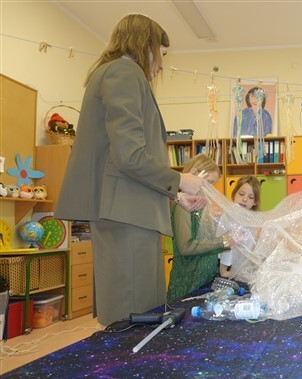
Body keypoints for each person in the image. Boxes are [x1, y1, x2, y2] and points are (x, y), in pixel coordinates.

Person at [54, 14, 207, 326]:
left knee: (131, 308)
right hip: (128, 215)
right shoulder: (124, 72)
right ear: (145, 44)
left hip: (126, 211)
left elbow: (122, 160)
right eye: (161, 53)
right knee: (134, 314)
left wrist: (176, 195)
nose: (161, 65)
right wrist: (180, 179)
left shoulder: (113, 73)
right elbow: (130, 156)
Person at [168, 154, 225, 302]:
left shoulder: (202, 206)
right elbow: (186, 247)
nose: (211, 189)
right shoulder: (182, 206)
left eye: (214, 184)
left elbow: (207, 241)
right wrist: (224, 242)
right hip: (188, 286)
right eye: (209, 183)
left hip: (205, 283)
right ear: (195, 174)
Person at [219, 176, 261, 277]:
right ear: (234, 194)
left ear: (255, 202)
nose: (245, 199)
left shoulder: (254, 219)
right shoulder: (229, 214)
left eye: (251, 197)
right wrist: (223, 271)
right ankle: (224, 271)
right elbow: (226, 243)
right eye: (241, 194)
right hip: (226, 264)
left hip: (243, 265)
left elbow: (252, 246)